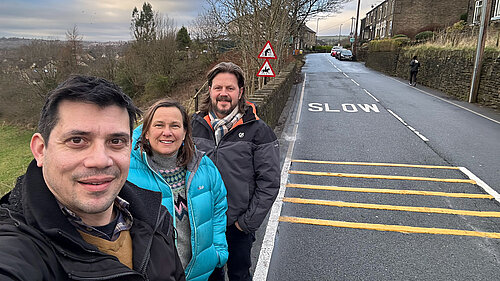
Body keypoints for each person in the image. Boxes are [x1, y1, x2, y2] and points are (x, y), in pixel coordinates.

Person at [0, 75, 186, 281]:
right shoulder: (15, 246)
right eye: (77, 140)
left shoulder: (157, 218)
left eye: (116, 141)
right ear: (41, 150)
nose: (100, 160)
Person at [191, 62, 280, 281]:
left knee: (239, 275)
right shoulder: (192, 126)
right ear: (209, 90)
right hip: (202, 224)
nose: (223, 94)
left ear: (240, 92)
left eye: (230, 88)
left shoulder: (259, 131)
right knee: (208, 275)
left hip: (237, 225)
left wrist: (245, 224)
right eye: (218, 87)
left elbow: (269, 183)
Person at [127, 99, 228, 280]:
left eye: (175, 125)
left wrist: (218, 251)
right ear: (146, 133)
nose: (167, 132)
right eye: (159, 125)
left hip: (201, 273)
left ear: (184, 133)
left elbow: (219, 207)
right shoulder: (127, 172)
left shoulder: (204, 167)